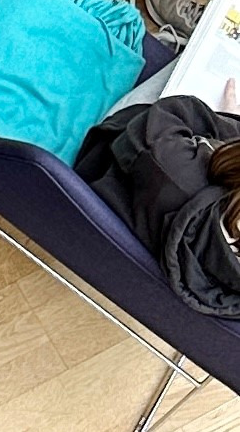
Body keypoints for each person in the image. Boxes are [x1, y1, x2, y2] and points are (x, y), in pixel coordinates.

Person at [77, 86, 240, 317]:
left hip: (105, 163)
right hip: (148, 272)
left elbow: (167, 114)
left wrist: (226, 128)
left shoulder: (177, 174)